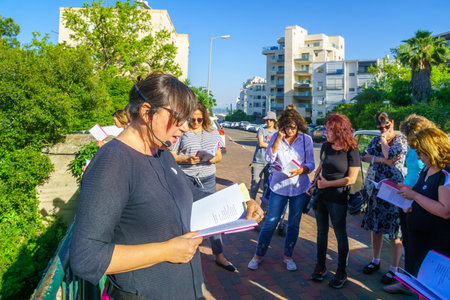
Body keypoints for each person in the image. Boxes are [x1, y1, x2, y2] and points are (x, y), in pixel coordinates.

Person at [70, 72, 263, 300]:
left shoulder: (161, 153)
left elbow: (191, 195)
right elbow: (86, 258)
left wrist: (242, 203)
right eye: (179, 118)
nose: (184, 127)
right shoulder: (113, 162)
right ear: (146, 112)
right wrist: (166, 251)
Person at [170, 101, 235, 272]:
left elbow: (219, 155)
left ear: (204, 118)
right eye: (192, 119)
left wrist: (213, 159)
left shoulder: (212, 132)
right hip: (186, 178)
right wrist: (186, 159)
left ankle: (219, 255)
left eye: (199, 119)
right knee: (185, 217)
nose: (195, 122)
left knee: (214, 218)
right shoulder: (183, 132)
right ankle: (186, 253)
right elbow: (172, 155)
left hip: (207, 179)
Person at [248, 107, 314, 271]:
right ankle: (258, 255)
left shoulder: (306, 139)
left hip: (299, 187)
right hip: (279, 186)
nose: (290, 130)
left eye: (293, 127)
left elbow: (311, 163)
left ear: (298, 125)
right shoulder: (277, 137)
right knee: (270, 222)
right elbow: (269, 158)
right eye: (286, 127)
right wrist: (278, 138)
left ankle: (288, 257)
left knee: (293, 224)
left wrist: (301, 170)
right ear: (281, 126)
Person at [384, 114, 436, 295]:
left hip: (418, 197)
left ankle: (418, 284)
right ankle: (408, 281)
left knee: (418, 244)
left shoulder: (427, 149)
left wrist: (412, 194)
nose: (405, 139)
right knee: (408, 242)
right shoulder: (414, 148)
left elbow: (428, 178)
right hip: (408, 194)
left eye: (407, 135)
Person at [307, 113, 360, 289]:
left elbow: (351, 179)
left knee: (339, 234)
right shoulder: (326, 146)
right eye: (326, 129)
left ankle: (341, 271)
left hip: (338, 197)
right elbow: (320, 168)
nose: (326, 132)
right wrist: (313, 184)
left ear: (340, 130)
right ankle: (320, 266)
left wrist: (327, 184)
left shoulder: (351, 149)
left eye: (330, 130)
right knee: (321, 232)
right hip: (321, 196)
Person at [397, 128, 450, 286]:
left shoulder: (445, 172)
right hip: (420, 241)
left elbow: (445, 210)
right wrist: (409, 196)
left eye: (420, 153)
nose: (418, 157)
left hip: (436, 244)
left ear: (431, 149)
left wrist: (414, 196)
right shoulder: (427, 168)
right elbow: (425, 194)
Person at [360, 112, 408, 284]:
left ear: (392, 123)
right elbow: (364, 156)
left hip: (394, 190)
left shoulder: (401, 140)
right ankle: (376, 260)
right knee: (376, 227)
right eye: (380, 128)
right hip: (377, 189)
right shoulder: (376, 140)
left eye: (386, 126)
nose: (383, 130)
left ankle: (394, 268)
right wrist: (380, 159)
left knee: (395, 232)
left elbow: (391, 157)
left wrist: (384, 142)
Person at [249, 111, 277, 206]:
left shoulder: (277, 133)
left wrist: (272, 146)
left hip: (271, 163)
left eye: (271, 120)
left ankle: (263, 209)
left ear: (274, 121)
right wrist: (273, 146)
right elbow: (261, 143)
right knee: (255, 185)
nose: (269, 122)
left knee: (267, 187)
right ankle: (250, 206)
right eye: (267, 120)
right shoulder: (261, 129)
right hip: (258, 161)